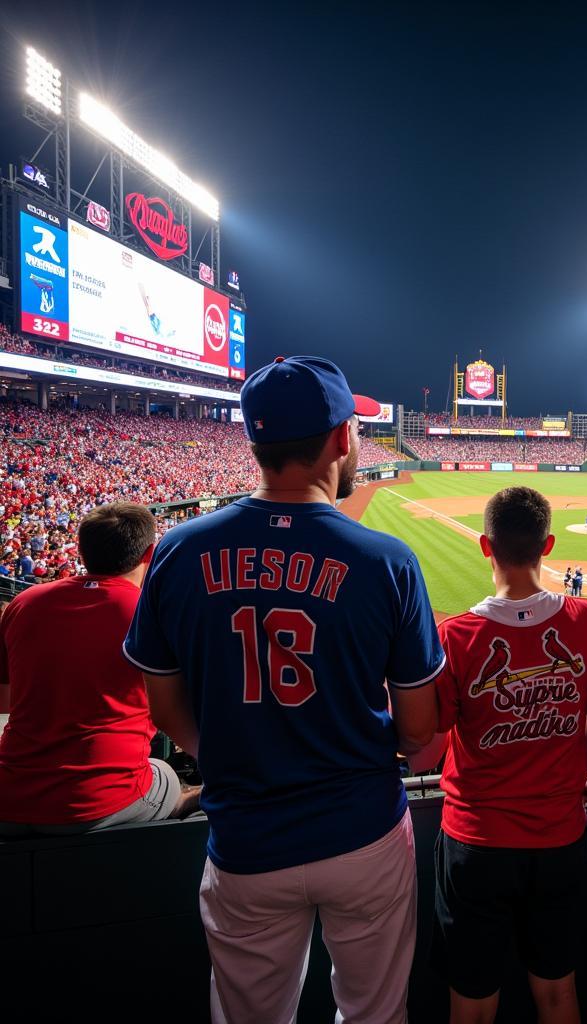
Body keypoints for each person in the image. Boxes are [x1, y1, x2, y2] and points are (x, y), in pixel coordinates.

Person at [123, 356, 445, 1024]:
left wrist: (230, 756)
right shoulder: (387, 561)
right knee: (376, 1015)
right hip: (364, 833)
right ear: (343, 439)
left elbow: (164, 706)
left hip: (246, 838)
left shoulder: (178, 551)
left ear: (254, 441)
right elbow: (418, 733)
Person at [431, 486, 587, 1024]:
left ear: (486, 547)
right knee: (558, 995)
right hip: (559, 836)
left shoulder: (455, 636)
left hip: (475, 842)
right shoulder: (586, 620)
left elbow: (429, 741)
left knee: (472, 1000)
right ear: (548, 545)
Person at [0, 503, 198, 835]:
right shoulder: (152, 612)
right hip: (98, 801)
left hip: (10, 794)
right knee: (168, 775)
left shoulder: (23, 603)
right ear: (150, 553)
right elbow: (174, 712)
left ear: (82, 550)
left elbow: (5, 704)